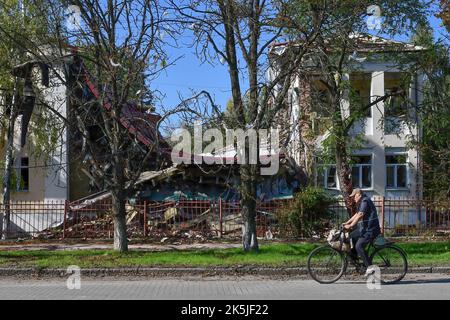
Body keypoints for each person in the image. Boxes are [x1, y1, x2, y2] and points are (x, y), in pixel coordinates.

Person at [342, 188, 381, 276]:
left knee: (359, 246)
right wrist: (347, 223)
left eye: (354, 196)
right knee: (351, 236)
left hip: (371, 229)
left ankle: (370, 268)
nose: (353, 199)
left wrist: (351, 226)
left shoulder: (365, 201)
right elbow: (356, 214)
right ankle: (358, 262)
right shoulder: (361, 202)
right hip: (365, 229)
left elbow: (360, 215)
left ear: (359, 195)